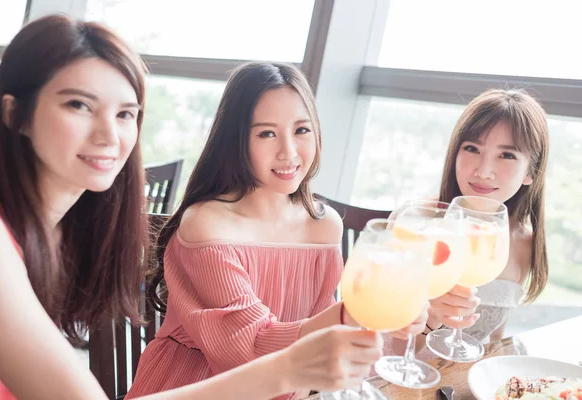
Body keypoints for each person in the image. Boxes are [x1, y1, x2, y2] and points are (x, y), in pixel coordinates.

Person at [0, 15, 386, 400]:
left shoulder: (60, 233)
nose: (110, 134)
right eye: (79, 105)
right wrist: (289, 366)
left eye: (126, 114)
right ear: (15, 113)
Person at [127, 61, 428, 399]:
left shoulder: (324, 225)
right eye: (266, 133)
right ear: (236, 141)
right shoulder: (208, 226)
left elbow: (327, 348)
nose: (288, 152)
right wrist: (355, 313)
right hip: (196, 386)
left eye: (301, 130)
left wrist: (403, 322)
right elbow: (250, 350)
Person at [423, 88, 549, 344]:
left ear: (530, 172)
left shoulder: (525, 243)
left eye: (506, 155)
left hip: (469, 379)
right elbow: (379, 338)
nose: (484, 171)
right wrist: (430, 315)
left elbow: (494, 340)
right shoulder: (420, 222)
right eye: (472, 148)